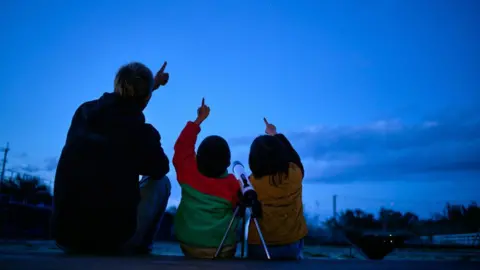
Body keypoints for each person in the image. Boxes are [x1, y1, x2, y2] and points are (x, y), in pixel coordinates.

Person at [52, 61, 172, 255]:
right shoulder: (142, 134)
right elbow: (160, 168)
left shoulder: (83, 113)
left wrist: (151, 86)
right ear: (147, 97)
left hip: (66, 237)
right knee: (161, 183)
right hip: (111, 242)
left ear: (117, 85)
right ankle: (140, 246)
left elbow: (119, 108)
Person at [172, 98, 241, 259]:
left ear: (198, 158)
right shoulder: (232, 183)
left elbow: (182, 147)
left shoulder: (188, 172)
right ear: (228, 162)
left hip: (189, 245)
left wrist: (199, 120)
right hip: (222, 248)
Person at [246, 118, 307, 260]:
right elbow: (293, 157)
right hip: (291, 246)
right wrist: (274, 134)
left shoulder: (251, 183)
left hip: (259, 246)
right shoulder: (294, 173)